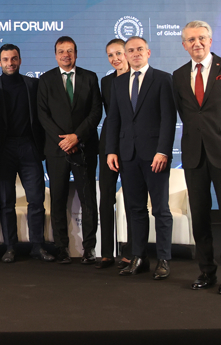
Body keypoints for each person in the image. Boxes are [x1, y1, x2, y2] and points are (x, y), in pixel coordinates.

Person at [172, 20, 221, 295]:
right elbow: (186, 113)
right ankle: (206, 271)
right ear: (184, 45)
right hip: (195, 156)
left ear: (210, 40)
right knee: (200, 217)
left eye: (202, 38)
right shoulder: (178, 75)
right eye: (191, 39)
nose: (197, 43)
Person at [106, 36, 177, 280]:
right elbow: (113, 119)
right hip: (127, 155)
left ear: (148, 52)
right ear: (125, 55)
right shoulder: (118, 82)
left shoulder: (163, 79)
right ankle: (139, 257)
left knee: (160, 209)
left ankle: (164, 259)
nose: (135, 53)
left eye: (139, 49)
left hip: (155, 156)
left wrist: (163, 151)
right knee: (135, 209)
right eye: (130, 50)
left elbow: (169, 119)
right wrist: (111, 150)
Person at [0, 44, 54, 263]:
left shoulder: (33, 85)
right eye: (6, 59)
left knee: (36, 199)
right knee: (6, 202)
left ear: (20, 60)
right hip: (3, 149)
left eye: (14, 58)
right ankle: (10, 247)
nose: (10, 63)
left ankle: (38, 246)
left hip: (28, 147)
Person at [37, 36, 101, 264]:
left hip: (84, 148)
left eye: (70, 51)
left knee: (88, 200)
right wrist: (63, 140)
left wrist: (77, 137)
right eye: (61, 51)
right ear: (55, 55)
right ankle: (61, 248)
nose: (66, 55)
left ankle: (89, 248)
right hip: (57, 151)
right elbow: (43, 114)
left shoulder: (90, 77)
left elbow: (96, 112)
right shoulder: (45, 80)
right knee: (57, 199)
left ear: (76, 53)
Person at [97, 39, 133, 270]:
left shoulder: (138, 78)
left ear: (127, 53)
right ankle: (106, 253)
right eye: (110, 55)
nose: (115, 59)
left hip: (131, 144)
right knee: (106, 197)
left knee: (131, 198)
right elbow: (111, 116)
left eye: (119, 53)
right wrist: (110, 147)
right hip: (108, 143)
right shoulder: (106, 81)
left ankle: (130, 252)